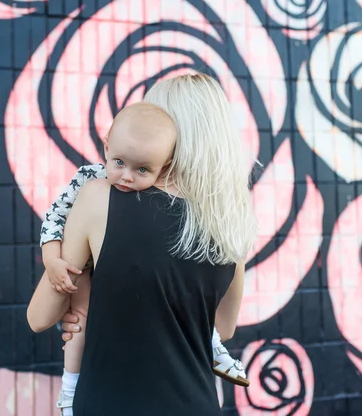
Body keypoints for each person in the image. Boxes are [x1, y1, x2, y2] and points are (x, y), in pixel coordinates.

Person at [27, 73, 256, 416]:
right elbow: (222, 326)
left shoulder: (99, 198)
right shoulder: (228, 223)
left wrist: (85, 304)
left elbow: (39, 316)